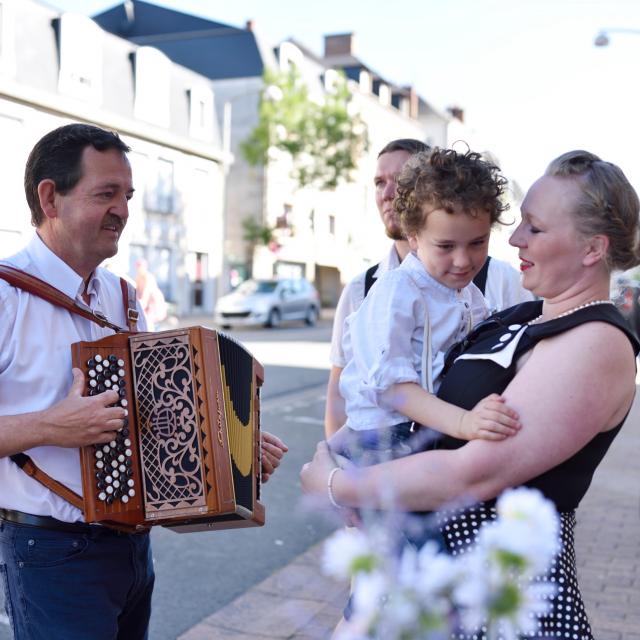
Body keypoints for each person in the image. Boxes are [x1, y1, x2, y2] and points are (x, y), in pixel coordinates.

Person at [302, 149, 640, 639]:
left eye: (535, 228)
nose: (515, 237)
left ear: (592, 249)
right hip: (430, 577)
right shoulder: (523, 317)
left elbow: (473, 473)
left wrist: (334, 484)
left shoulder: (595, 342)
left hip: (492, 594)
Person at [0, 123, 287, 640]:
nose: (123, 210)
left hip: (132, 549)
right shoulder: (5, 296)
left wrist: (231, 449)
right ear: (50, 198)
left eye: (127, 195)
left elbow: (156, 422)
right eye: (105, 193)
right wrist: (51, 426)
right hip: (49, 553)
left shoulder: (124, 298)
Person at [325, 139, 532, 438]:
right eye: (445, 246)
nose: (462, 261)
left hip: (427, 430)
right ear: (414, 236)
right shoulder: (395, 292)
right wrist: (463, 422)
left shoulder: (469, 292)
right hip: (386, 438)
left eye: (477, 243)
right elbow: (390, 387)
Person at [135, 257, 168, 330]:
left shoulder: (147, 277)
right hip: (147, 304)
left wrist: (140, 305)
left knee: (149, 324)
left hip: (153, 303)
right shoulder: (138, 277)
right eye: (138, 266)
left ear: (145, 267)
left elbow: (146, 294)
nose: (139, 268)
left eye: (140, 266)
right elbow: (137, 291)